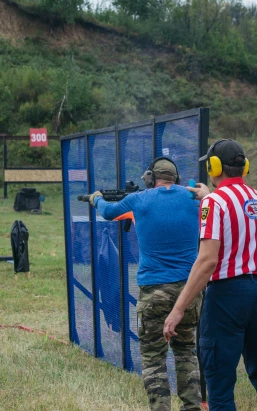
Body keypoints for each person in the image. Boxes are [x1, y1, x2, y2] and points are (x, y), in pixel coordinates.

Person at [163, 139, 257, 411]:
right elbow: (234, 211)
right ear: (244, 167)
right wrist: (207, 197)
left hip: (226, 298)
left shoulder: (215, 203)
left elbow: (207, 260)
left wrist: (178, 309)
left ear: (214, 167)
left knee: (220, 385)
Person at [88, 157, 203, 411]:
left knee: (153, 358)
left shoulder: (139, 200)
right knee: (186, 352)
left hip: (153, 292)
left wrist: (96, 198)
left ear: (152, 178)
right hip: (189, 292)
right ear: (177, 179)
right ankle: (193, 407)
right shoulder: (195, 199)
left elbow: (107, 212)